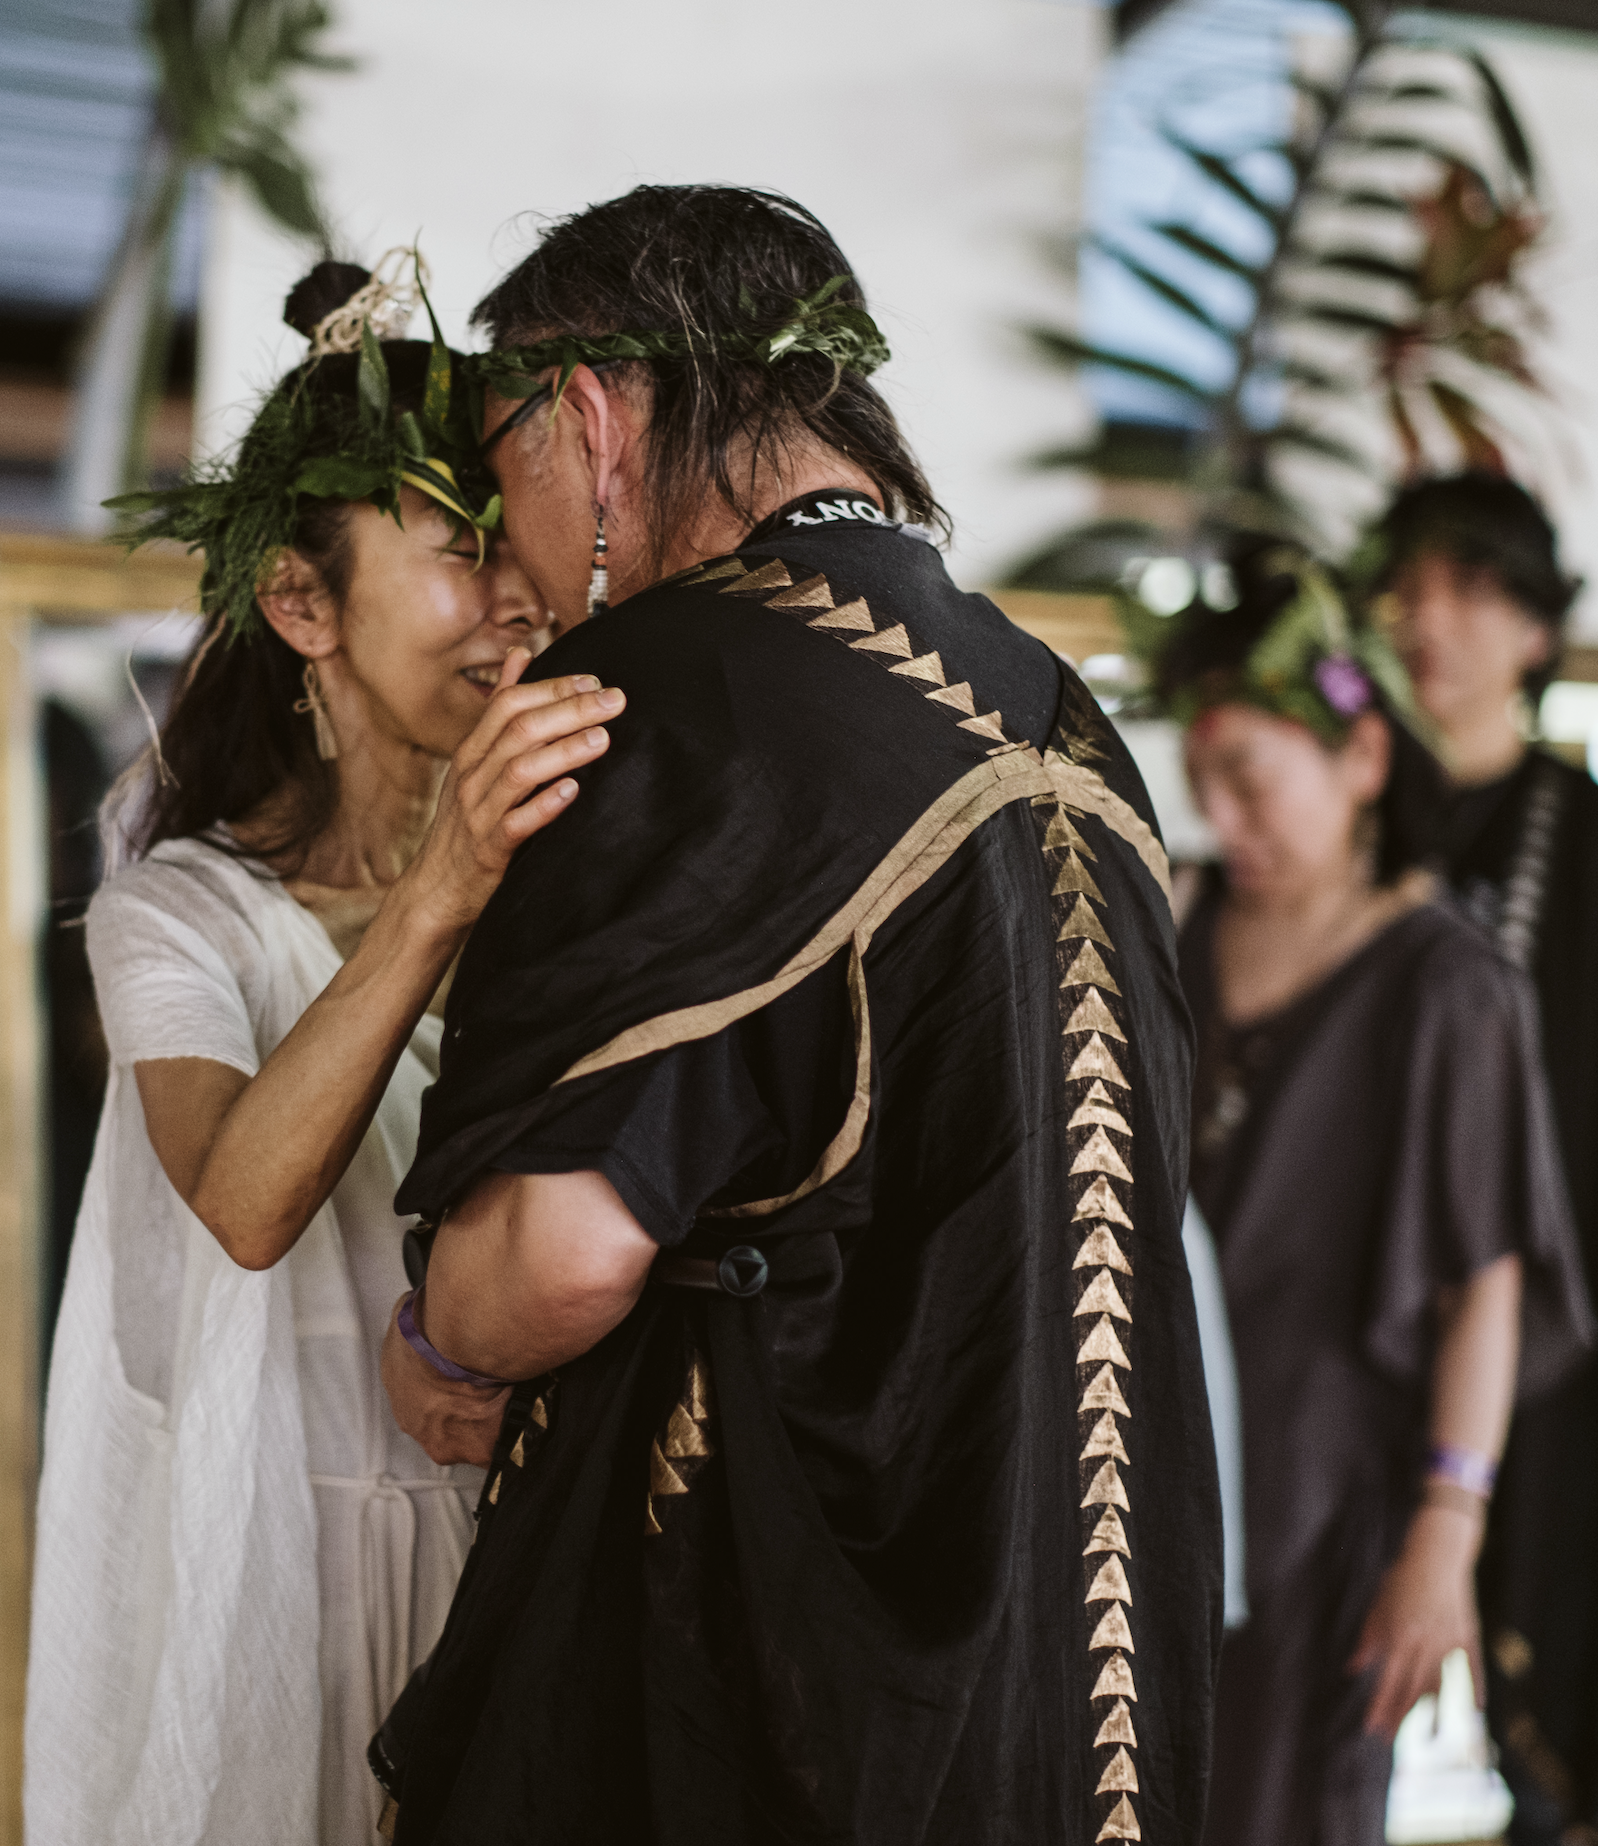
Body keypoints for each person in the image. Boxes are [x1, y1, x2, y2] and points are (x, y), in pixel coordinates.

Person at [370, 184, 1221, 1845]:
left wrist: (431, 1343)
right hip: (1074, 1632)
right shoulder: (1072, 719)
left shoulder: (650, 693)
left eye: (504, 463)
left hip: (784, 1648)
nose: (510, 549)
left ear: (593, 419)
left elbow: (557, 1246)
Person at [24, 256, 625, 1846]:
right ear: (303, 604)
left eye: (520, 549)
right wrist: (439, 888)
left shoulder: (585, 887)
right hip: (267, 1568)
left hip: (532, 1557)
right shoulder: (178, 916)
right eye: (454, 553)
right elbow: (242, 1195)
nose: (513, 600)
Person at [1151, 540, 1592, 1846]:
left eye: (1250, 780)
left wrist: (1442, 1537)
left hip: (1321, 1494)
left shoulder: (1447, 985)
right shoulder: (1166, 929)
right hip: (1144, 1466)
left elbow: (1485, 1284)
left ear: (1357, 761)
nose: (1223, 818)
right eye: (1200, 782)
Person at [1377, 471, 1598, 1845]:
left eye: (1467, 587)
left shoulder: (1577, 832)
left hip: (1567, 1327)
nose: (1427, 617)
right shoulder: (1358, 823)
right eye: (1408, 585)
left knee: (1557, 1651)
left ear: (1533, 630)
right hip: (1376, 1311)